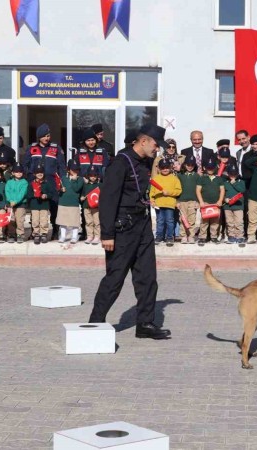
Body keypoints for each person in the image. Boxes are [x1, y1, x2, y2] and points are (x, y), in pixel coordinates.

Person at [88, 124, 171, 340]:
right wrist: (107, 234)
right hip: (122, 228)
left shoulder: (145, 162)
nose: (157, 150)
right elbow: (108, 199)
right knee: (115, 278)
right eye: (155, 145)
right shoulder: (120, 162)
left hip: (142, 224)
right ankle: (95, 323)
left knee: (147, 277)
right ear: (143, 141)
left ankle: (145, 323)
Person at [22, 124, 66, 233]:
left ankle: (55, 231)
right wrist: (30, 178)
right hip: (35, 182)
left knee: (54, 207)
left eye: (48, 136)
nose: (46, 138)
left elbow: (61, 167)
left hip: (51, 182)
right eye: (43, 136)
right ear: (39, 137)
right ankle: (35, 231)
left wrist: (62, 182)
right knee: (36, 207)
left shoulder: (56, 148)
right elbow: (24, 165)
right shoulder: (31, 148)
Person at [150, 159, 182, 245]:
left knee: (169, 221)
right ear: (159, 169)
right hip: (158, 204)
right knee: (160, 221)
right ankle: (159, 236)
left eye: (167, 167)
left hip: (170, 204)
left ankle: (170, 237)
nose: (165, 169)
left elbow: (178, 191)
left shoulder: (174, 178)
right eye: (163, 167)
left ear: (171, 168)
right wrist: (152, 201)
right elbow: (152, 192)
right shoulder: (156, 179)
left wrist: (169, 193)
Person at [195, 160, 225, 245]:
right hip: (205, 203)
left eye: (212, 168)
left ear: (215, 168)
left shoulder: (219, 178)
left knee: (215, 221)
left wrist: (220, 200)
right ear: (205, 168)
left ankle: (214, 237)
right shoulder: (202, 178)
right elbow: (198, 190)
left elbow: (222, 190)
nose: (210, 170)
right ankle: (202, 237)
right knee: (204, 221)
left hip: (216, 204)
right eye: (208, 168)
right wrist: (201, 202)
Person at [56, 160, 84, 246]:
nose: (75, 171)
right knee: (63, 221)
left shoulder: (80, 179)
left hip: (73, 203)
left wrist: (74, 180)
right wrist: (61, 189)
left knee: (74, 221)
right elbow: (59, 188)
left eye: (77, 170)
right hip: (63, 202)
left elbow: (76, 189)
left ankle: (74, 236)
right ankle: (63, 236)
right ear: (68, 170)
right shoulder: (63, 178)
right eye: (73, 170)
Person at [28, 165, 55, 245]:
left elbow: (51, 194)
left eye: (41, 172)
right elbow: (28, 194)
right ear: (34, 174)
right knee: (35, 220)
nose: (40, 174)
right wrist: (34, 194)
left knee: (44, 220)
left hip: (44, 205)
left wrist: (46, 195)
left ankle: (44, 233)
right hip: (35, 205)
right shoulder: (31, 184)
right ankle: (36, 234)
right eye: (37, 173)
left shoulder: (46, 183)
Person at [177, 158, 199, 244]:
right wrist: (177, 201)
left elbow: (198, 190)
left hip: (193, 201)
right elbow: (177, 188)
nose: (190, 167)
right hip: (182, 201)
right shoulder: (180, 175)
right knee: (183, 219)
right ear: (184, 165)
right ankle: (183, 236)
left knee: (192, 219)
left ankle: (191, 236)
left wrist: (198, 201)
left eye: (192, 165)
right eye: (188, 165)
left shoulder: (197, 176)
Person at [5, 164, 29, 243]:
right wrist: (10, 200)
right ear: (13, 173)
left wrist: (15, 201)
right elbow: (7, 191)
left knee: (19, 220)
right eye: (16, 172)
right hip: (10, 204)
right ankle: (11, 235)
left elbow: (22, 193)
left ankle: (20, 234)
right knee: (11, 220)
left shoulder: (24, 182)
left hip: (20, 204)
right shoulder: (9, 182)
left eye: (20, 172)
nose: (19, 173)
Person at [222, 165, 246, 244]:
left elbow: (242, 190)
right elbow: (222, 193)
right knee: (229, 222)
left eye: (234, 174)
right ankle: (231, 236)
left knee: (239, 222)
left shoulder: (241, 182)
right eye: (231, 174)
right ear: (228, 174)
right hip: (227, 206)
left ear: (237, 174)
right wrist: (224, 199)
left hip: (238, 206)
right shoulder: (225, 183)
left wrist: (234, 183)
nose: (232, 176)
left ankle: (239, 236)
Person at [80, 166, 102, 245]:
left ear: (97, 176)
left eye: (94, 175)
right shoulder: (85, 185)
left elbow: (103, 196)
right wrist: (82, 197)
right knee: (88, 222)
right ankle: (89, 236)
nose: (93, 177)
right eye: (91, 175)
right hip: (86, 206)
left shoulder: (100, 185)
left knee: (97, 222)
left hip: (96, 207)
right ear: (88, 176)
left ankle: (97, 236)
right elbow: (82, 194)